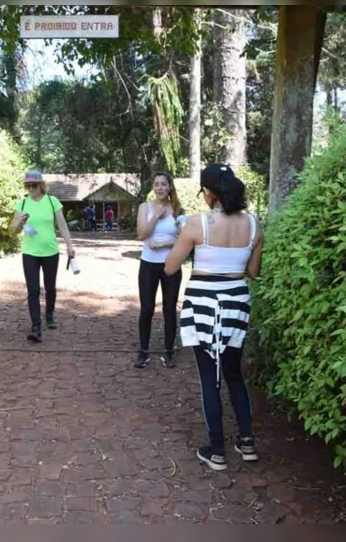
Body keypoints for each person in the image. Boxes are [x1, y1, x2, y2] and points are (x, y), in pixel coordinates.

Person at [165, 163, 263, 471]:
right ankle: (247, 443)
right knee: (234, 373)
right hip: (236, 301)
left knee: (209, 375)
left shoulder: (197, 224)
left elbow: (170, 267)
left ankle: (216, 449)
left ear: (209, 193)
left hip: (203, 304)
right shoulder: (254, 224)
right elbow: (254, 272)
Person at [11, 169, 76, 342]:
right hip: (30, 252)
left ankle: (49, 313)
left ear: (41, 185)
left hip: (50, 251)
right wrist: (20, 222)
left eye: (34, 185)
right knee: (32, 290)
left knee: (50, 288)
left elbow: (62, 225)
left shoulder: (51, 201)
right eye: (28, 185)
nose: (30, 188)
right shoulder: (22, 203)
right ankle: (36, 327)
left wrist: (69, 245)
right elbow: (14, 230)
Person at [135, 172, 183, 369]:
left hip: (171, 265)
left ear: (170, 187)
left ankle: (169, 351)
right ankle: (143, 351)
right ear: (153, 188)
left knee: (169, 309)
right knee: (146, 308)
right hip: (148, 264)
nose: (160, 188)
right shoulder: (145, 207)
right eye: (156, 184)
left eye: (164, 184)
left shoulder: (178, 210)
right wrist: (155, 216)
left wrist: (166, 244)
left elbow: (185, 239)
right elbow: (141, 235)